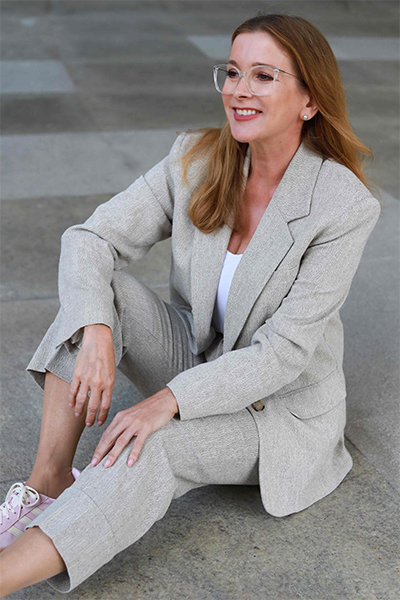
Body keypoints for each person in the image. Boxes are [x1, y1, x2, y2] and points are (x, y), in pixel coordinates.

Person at [0, 12, 381, 597]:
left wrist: (165, 403)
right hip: (201, 357)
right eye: (232, 72)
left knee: (151, 444)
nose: (239, 90)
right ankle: (48, 483)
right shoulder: (196, 158)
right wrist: (96, 329)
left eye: (263, 76)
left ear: (310, 100)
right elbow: (90, 239)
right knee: (100, 297)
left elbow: (282, 355)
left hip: (275, 410)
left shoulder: (342, 205)